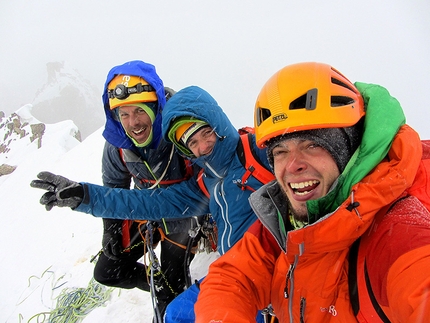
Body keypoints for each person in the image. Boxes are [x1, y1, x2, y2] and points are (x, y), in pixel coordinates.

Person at [194, 62, 430, 322]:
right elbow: (231, 278)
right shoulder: (287, 224)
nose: (293, 166)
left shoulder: (395, 230)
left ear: (347, 150)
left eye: (312, 145)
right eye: (281, 151)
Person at [30, 85, 273, 322]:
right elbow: (146, 202)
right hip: (235, 278)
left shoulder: (258, 151)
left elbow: (297, 152)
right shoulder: (205, 184)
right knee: (175, 314)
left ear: (217, 121)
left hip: (274, 275)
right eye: (191, 143)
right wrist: (86, 196)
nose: (202, 147)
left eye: (206, 132)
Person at [88, 60, 201, 321]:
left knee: (171, 295)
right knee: (107, 271)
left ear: (154, 107)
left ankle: (170, 293)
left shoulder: (180, 132)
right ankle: (158, 283)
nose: (133, 123)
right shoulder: (118, 146)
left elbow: (208, 180)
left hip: (182, 217)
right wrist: (111, 230)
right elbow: (114, 188)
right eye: (123, 114)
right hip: (147, 214)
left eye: (139, 111)